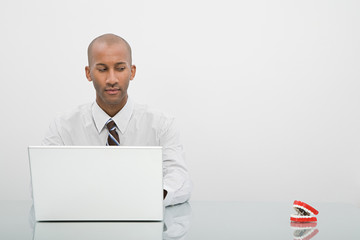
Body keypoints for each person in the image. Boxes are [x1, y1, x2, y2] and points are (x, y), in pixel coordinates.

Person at [42, 33, 192, 206]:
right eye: (102, 69)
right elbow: (43, 183)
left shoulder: (161, 125)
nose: (112, 79)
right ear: (88, 73)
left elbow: (180, 181)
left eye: (120, 69)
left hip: (142, 224)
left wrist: (144, 198)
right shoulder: (63, 127)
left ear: (132, 72)